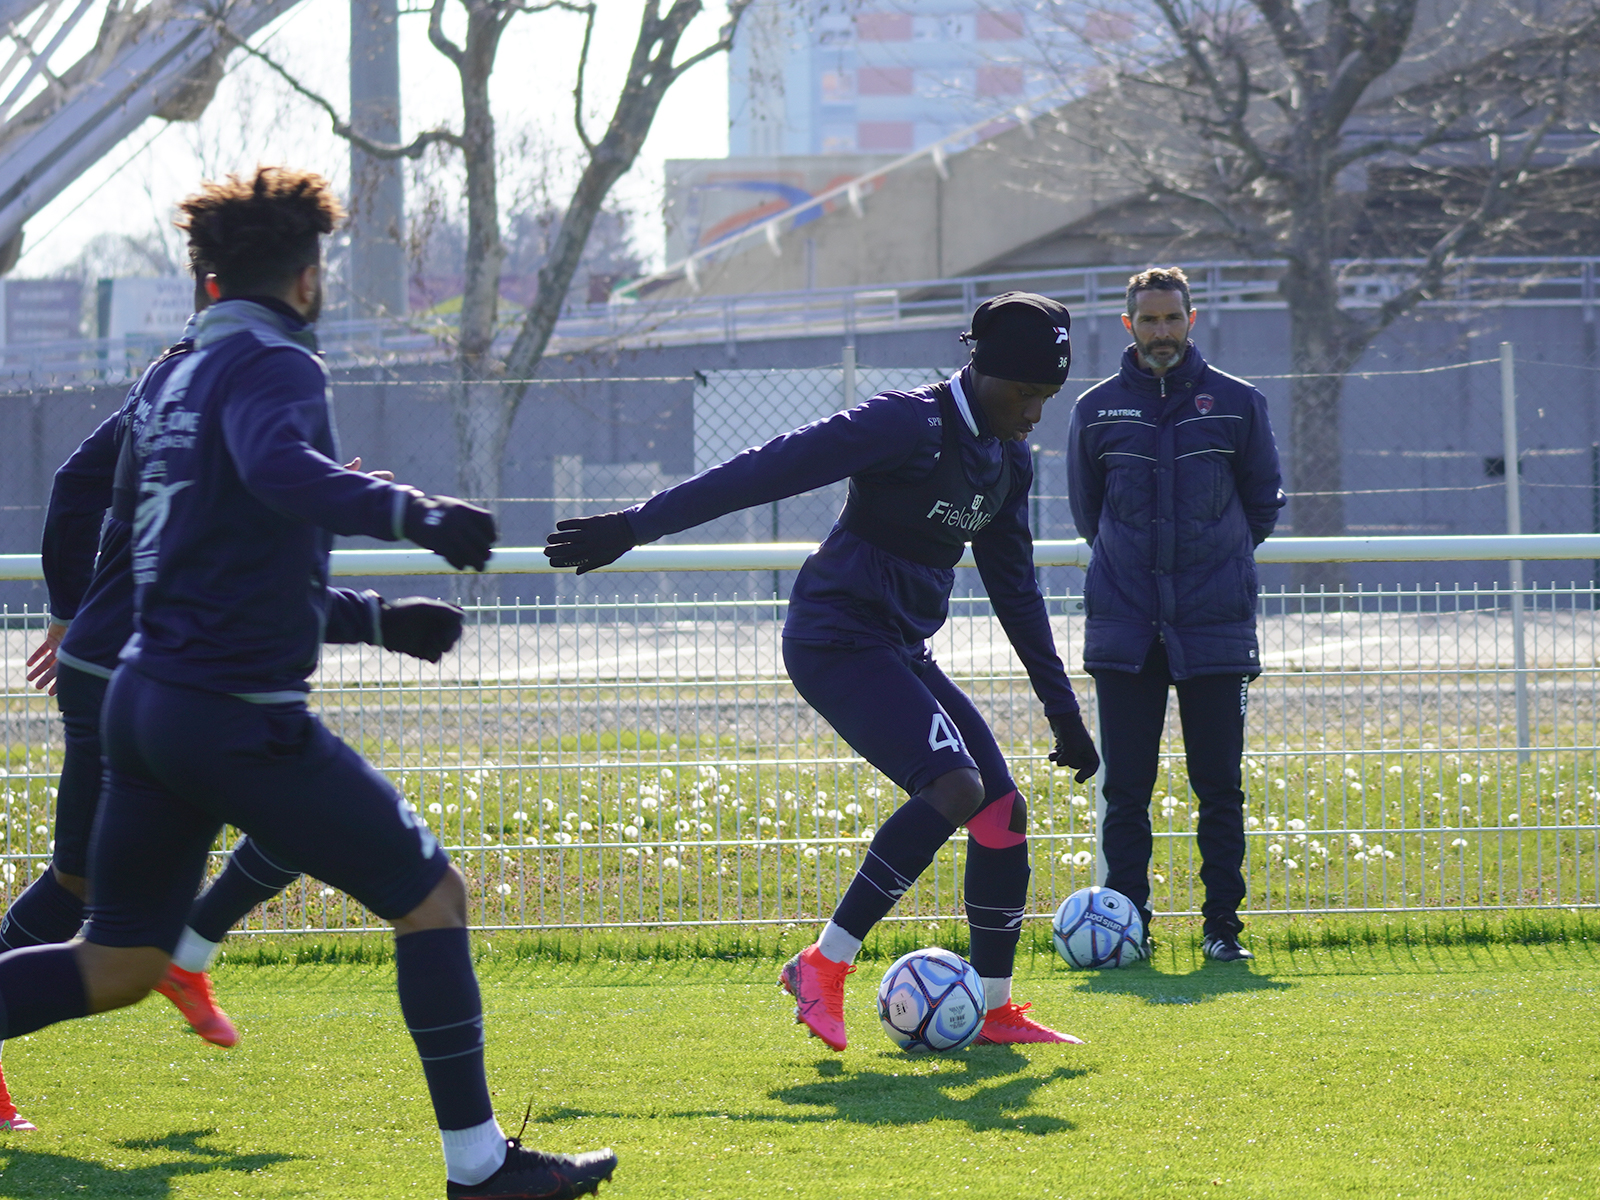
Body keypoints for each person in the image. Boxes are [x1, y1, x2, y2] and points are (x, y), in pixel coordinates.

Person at [0, 167, 616, 1199]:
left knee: (120, 963)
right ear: (306, 277)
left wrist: (375, 621)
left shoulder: (169, 383)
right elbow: (279, 472)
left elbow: (213, 555)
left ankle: (477, 1165)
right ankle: (480, 1173)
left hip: (145, 703)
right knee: (432, 898)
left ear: (208, 277)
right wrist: (418, 515)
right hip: (233, 713)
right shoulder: (278, 362)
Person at [546, 292, 1101, 1051]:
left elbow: (1016, 587)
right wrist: (635, 525)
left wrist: (1062, 710)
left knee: (1002, 814)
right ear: (982, 370)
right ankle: (823, 964)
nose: (1035, 413)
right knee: (955, 787)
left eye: (1048, 396)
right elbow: (770, 468)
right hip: (835, 638)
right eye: (1025, 392)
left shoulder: (1008, 458)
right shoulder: (908, 423)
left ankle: (994, 1010)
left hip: (898, 646)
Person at [1066, 266, 1284, 962]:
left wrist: (1214, 562)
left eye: (1171, 318)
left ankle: (1223, 929)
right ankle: (1128, 928)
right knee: (1125, 790)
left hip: (1214, 626)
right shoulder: (1096, 410)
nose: (1161, 331)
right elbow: (1088, 514)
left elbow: (1262, 504)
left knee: (1219, 788)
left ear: (1191, 320)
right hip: (1125, 628)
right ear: (1128, 325)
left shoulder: (1238, 404)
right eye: (1148, 320)